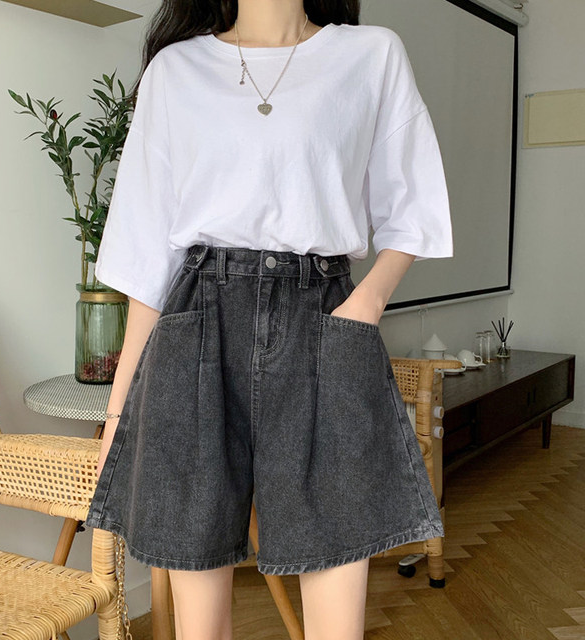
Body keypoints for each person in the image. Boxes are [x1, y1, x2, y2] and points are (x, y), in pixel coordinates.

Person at [84, 1, 454, 638]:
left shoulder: (370, 55)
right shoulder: (176, 69)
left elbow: (412, 206)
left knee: (336, 574)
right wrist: (118, 416)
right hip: (198, 324)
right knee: (199, 612)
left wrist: (365, 305)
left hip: (324, 321)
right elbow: (148, 258)